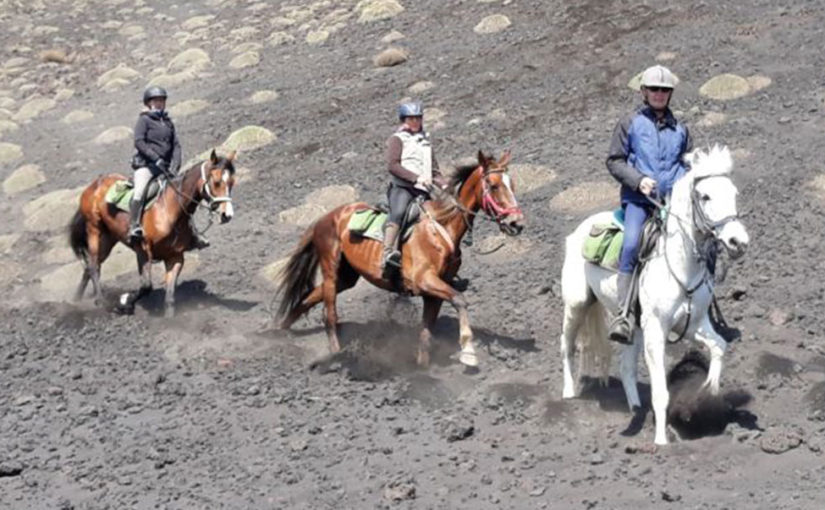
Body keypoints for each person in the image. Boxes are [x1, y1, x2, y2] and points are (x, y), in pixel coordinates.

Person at [605, 65, 691, 343]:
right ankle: (624, 315)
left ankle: (704, 306)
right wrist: (638, 180)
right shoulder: (629, 122)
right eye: (654, 88)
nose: (659, 94)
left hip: (672, 204)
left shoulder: (682, 130)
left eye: (664, 90)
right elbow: (614, 161)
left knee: (701, 242)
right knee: (631, 244)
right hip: (639, 202)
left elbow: (688, 162)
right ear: (643, 91)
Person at [129, 86, 208, 249]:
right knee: (139, 191)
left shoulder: (168, 123)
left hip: (165, 169)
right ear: (149, 103)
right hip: (146, 167)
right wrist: (155, 158)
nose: (159, 104)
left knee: (181, 198)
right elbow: (139, 142)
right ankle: (134, 225)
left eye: (161, 101)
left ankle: (192, 234)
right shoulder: (144, 120)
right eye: (155, 101)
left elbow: (176, 146)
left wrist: (175, 165)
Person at [382, 101, 448, 270]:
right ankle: (387, 252)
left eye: (418, 118)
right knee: (398, 212)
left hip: (423, 192)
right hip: (403, 189)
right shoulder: (397, 139)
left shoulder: (425, 142)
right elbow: (392, 165)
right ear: (403, 120)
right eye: (411, 118)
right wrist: (415, 178)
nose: (415, 122)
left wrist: (446, 186)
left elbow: (434, 171)